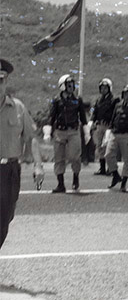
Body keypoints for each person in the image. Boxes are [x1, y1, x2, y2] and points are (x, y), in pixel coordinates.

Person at [0, 59, 44, 249]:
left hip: (9, 171)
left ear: (6, 81)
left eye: (0, 80)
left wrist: (38, 165)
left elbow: (31, 137)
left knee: (5, 219)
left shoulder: (18, 107)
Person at [45, 74, 88, 193]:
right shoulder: (56, 100)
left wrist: (86, 132)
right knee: (59, 158)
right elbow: (51, 117)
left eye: (72, 84)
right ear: (62, 86)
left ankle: (76, 178)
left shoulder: (77, 100)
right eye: (68, 84)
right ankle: (60, 184)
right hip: (59, 131)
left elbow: (83, 118)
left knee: (75, 156)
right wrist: (48, 132)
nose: (71, 87)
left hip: (73, 131)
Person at [104, 84, 128, 191]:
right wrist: (108, 133)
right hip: (115, 134)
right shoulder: (118, 105)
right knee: (108, 155)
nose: (127, 96)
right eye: (125, 94)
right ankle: (115, 175)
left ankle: (124, 182)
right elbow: (113, 120)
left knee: (127, 160)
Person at [91, 78, 118, 176]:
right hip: (100, 125)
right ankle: (102, 168)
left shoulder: (114, 100)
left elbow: (115, 113)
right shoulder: (99, 100)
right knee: (100, 146)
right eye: (101, 88)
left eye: (105, 88)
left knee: (108, 146)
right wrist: (92, 121)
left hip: (109, 125)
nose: (103, 90)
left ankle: (110, 168)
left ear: (109, 88)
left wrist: (113, 124)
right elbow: (95, 112)